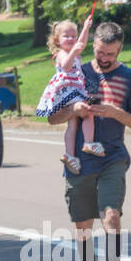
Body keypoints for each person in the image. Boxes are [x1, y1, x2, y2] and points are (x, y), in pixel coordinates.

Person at [47, 21, 131, 261]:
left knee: (111, 217)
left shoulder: (130, 78)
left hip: (112, 158)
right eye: (101, 52)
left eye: (111, 55)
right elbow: (52, 117)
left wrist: (117, 113)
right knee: (82, 226)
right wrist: (72, 110)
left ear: (120, 49)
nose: (104, 59)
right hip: (79, 163)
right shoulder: (75, 70)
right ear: (93, 45)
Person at [36, 16, 103, 174]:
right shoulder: (61, 54)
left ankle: (70, 155)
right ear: (57, 40)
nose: (71, 39)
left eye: (73, 36)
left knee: (73, 123)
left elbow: (82, 43)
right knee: (88, 112)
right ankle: (88, 142)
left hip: (72, 89)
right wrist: (73, 51)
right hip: (67, 90)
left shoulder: (73, 51)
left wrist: (86, 28)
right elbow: (66, 67)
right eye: (67, 36)